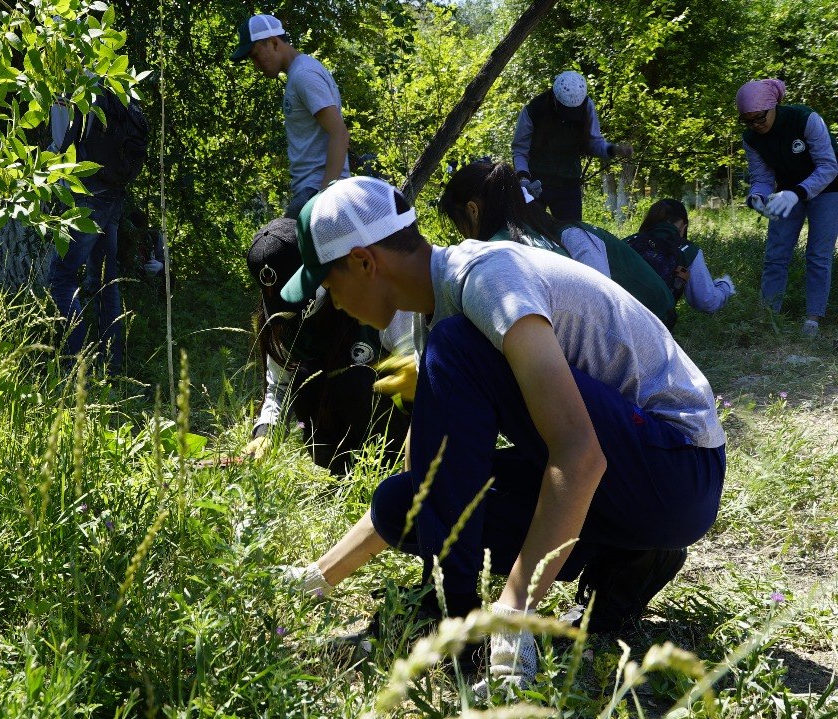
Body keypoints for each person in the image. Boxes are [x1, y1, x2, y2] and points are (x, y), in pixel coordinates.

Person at [279, 177, 725, 690]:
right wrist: (320, 577)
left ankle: (459, 616)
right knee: (406, 501)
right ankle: (629, 556)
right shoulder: (439, 312)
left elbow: (579, 455)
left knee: (457, 349)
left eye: (329, 284)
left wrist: (512, 616)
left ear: (363, 261)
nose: (333, 303)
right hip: (636, 487)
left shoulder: (485, 279)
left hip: (678, 466)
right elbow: (428, 483)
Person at [244, 217, 412, 475]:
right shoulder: (280, 323)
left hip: (396, 432)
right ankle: (340, 469)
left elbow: (421, 373)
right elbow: (279, 386)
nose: (294, 313)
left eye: (298, 298)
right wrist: (265, 433)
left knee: (356, 381)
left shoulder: (372, 298)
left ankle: (388, 469)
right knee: (303, 377)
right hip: (335, 438)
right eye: (283, 304)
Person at [438, 159, 677, 326]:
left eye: (457, 223)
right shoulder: (538, 240)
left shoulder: (570, 237)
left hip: (655, 319)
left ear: (472, 210)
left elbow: (601, 307)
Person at [46, 84, 148, 376]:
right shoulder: (116, 82)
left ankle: (75, 371)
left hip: (86, 192)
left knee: (62, 278)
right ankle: (110, 367)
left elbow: (60, 143)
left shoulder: (72, 83)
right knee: (106, 281)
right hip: (114, 192)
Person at [737, 79, 838, 338]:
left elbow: (828, 166)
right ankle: (767, 317)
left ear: (774, 107)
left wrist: (797, 193)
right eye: (747, 121)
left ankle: (813, 319)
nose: (755, 125)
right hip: (786, 192)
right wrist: (756, 198)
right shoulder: (751, 138)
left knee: (818, 254)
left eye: (759, 118)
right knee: (775, 255)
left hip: (828, 188)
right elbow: (761, 177)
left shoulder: (805, 119)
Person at [231, 14, 350, 219]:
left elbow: (339, 133)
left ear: (274, 42)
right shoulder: (300, 72)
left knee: (279, 247)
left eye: (256, 55)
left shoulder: (304, 75)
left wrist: (324, 197)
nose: (256, 65)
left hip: (316, 190)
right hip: (313, 189)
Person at [511, 70, 633, 223]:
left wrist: (614, 150)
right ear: (555, 98)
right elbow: (520, 149)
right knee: (530, 233)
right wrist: (523, 178)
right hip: (535, 184)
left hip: (568, 186)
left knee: (573, 234)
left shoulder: (587, 106)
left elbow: (594, 142)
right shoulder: (534, 109)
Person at [624, 199, 735, 317]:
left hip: (614, 320)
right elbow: (707, 302)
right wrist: (725, 286)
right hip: (654, 326)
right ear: (683, 226)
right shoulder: (687, 251)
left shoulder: (626, 243)